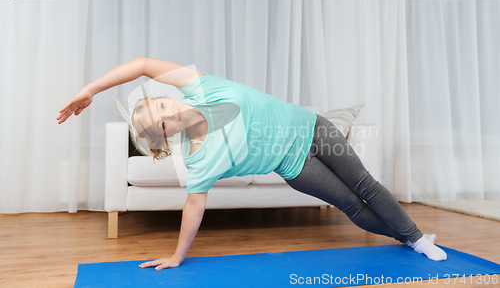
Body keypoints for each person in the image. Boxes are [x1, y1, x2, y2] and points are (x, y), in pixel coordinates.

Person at [57, 57, 447, 270]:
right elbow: (194, 207)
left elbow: (142, 63)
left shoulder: (200, 87)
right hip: (294, 166)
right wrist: (177, 256)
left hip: (313, 128)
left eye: (161, 103)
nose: (168, 111)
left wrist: (90, 89)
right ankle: (408, 238)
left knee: (365, 186)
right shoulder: (200, 159)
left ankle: (415, 237)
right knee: (350, 206)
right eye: (159, 122)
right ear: (165, 136)